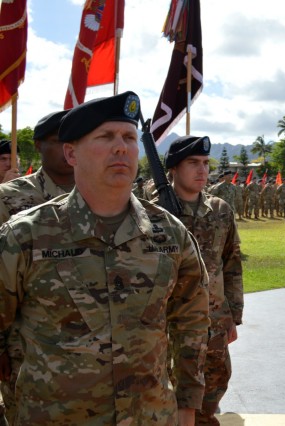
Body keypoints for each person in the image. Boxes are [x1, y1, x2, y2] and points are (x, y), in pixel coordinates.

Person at [0, 91, 210, 425]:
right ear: (71, 153)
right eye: (105, 137)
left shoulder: (170, 234)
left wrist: (187, 405)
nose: (121, 148)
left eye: (129, 138)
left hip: (150, 416)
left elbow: (192, 320)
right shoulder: (24, 236)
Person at [162, 135, 244, 426]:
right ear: (173, 168)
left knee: (216, 382)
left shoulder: (220, 210)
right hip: (167, 322)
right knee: (169, 391)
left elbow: (232, 263)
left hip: (214, 319)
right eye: (192, 163)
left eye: (206, 164)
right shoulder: (153, 213)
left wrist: (233, 315)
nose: (202, 171)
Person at [0, 109, 75, 424]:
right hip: (26, 349)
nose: (67, 150)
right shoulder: (8, 198)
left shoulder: (98, 195)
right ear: (40, 145)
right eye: (58, 142)